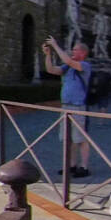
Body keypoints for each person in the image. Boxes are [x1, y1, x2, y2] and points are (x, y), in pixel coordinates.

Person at [41, 36, 93, 179]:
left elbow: (68, 60)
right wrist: (48, 55)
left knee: (81, 138)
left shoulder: (85, 66)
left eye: (75, 50)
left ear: (83, 53)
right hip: (65, 107)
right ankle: (71, 165)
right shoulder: (67, 67)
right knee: (67, 138)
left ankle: (84, 167)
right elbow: (51, 70)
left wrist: (56, 45)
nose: (72, 52)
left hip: (78, 107)